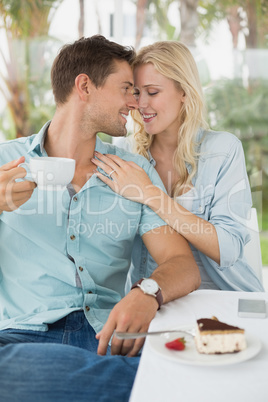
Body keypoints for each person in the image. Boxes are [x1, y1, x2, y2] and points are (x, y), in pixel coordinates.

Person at [0, 36, 200, 401]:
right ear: (84, 86)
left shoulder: (134, 172)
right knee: (10, 370)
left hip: (111, 335)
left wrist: (147, 293)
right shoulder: (6, 163)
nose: (135, 102)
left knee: (186, 362)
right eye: (127, 89)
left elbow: (181, 263)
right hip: (23, 339)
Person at [92, 40, 264, 293]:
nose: (140, 105)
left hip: (223, 299)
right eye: (136, 93)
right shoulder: (127, 154)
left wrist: (151, 195)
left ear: (184, 91)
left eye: (153, 92)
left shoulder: (222, 151)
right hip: (156, 300)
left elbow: (227, 249)